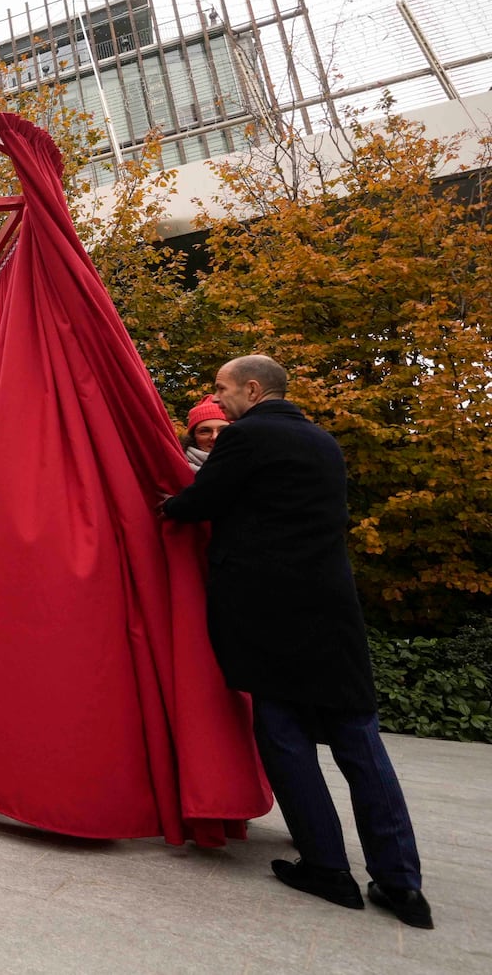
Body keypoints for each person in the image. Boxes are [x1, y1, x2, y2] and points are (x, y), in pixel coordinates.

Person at [160, 355, 432, 929]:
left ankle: (327, 868)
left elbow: (198, 504)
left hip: (266, 615)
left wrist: (164, 503)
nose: (221, 400)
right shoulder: (323, 442)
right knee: (360, 743)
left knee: (284, 738)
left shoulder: (246, 438)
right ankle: (403, 885)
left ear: (253, 390)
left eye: (223, 389)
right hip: (332, 611)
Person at [180, 395, 229, 471]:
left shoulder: (251, 468)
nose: (215, 437)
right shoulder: (177, 470)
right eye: (205, 431)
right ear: (193, 436)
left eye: (223, 430)